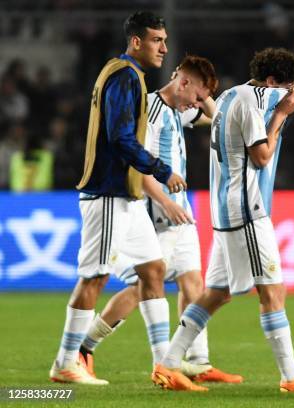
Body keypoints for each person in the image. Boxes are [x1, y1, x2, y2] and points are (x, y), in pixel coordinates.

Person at [149, 48, 294, 393]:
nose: (291, 97)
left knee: (217, 294)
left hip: (226, 210)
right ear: (271, 81)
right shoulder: (253, 102)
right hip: (246, 210)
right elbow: (262, 156)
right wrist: (280, 115)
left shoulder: (229, 96)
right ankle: (292, 376)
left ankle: (169, 364)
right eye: (288, 88)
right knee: (272, 290)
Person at [79, 55, 242, 384]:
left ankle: (198, 361)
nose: (197, 105)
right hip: (158, 212)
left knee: (193, 282)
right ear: (181, 84)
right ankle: (84, 347)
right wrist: (166, 202)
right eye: (196, 96)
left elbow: (217, 116)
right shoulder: (150, 111)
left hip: (181, 210)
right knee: (143, 288)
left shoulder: (177, 109)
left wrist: (203, 86)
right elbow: (137, 163)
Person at [49, 11, 187, 385]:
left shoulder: (126, 75)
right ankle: (65, 361)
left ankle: (164, 366)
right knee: (94, 277)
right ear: (136, 41)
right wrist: (161, 169)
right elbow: (120, 138)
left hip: (127, 196)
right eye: (157, 40)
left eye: (165, 39)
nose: (164, 47)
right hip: (109, 193)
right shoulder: (124, 76)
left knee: (153, 269)